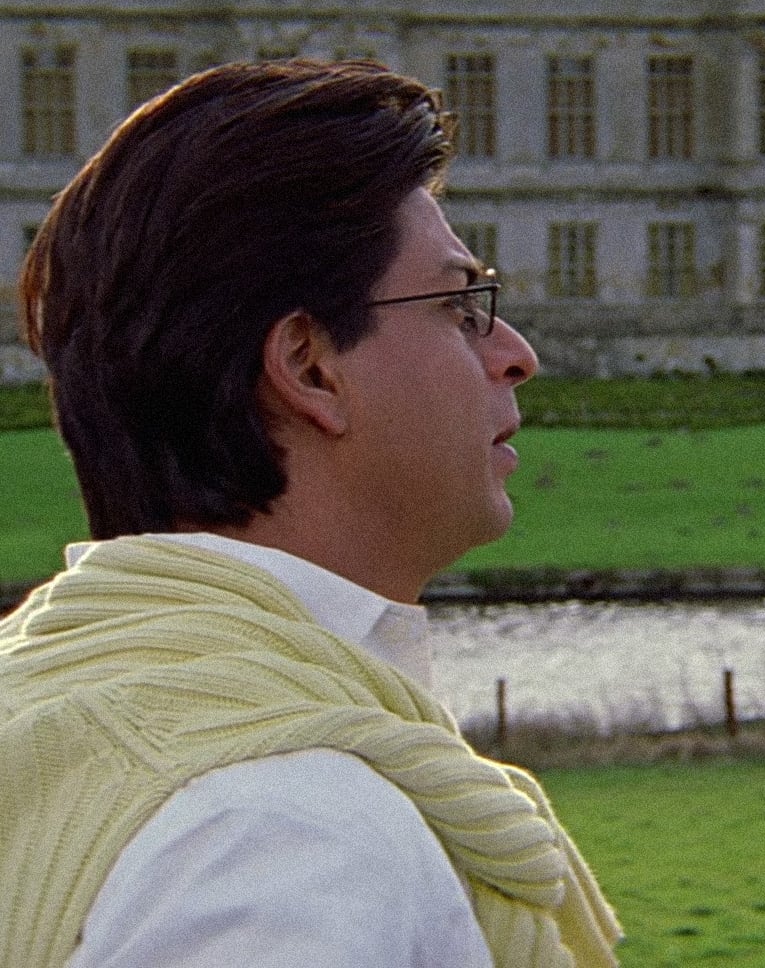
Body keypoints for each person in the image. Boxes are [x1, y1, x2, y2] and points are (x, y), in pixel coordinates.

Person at [1, 60, 620, 967]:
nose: (516, 354)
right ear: (309, 366)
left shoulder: (47, 704)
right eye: (458, 305)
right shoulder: (284, 838)